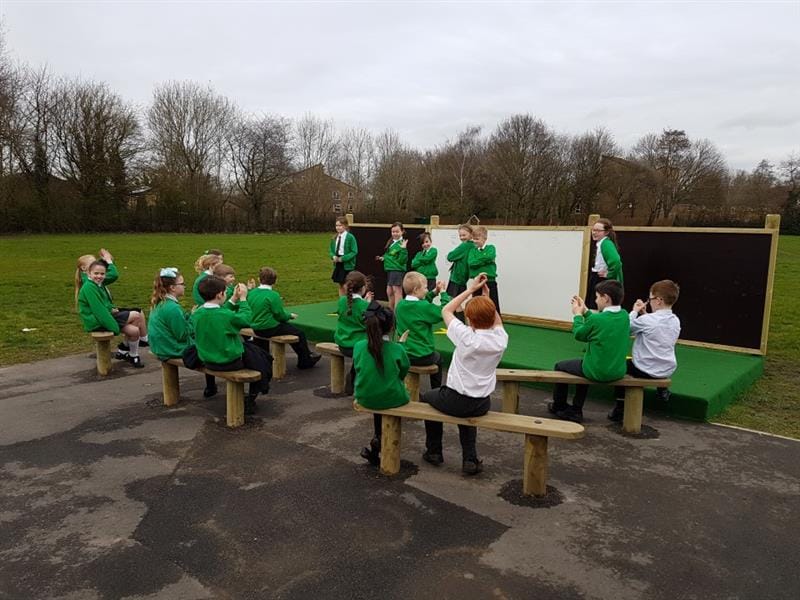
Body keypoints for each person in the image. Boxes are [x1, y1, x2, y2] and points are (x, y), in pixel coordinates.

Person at [421, 273, 508, 476]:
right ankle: (470, 458)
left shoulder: (466, 337)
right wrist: (487, 300)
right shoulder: (500, 339)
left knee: (427, 399)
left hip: (455, 399)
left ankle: (434, 451)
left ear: (469, 319)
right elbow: (497, 322)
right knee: (466, 409)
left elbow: (446, 309)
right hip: (482, 403)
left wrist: (470, 289)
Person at [548, 279, 630, 424]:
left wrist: (577, 315)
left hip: (597, 370)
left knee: (560, 366)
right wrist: (585, 311)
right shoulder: (624, 316)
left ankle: (559, 405)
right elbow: (600, 322)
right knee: (583, 364)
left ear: (606, 298)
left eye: (597, 297)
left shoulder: (598, 319)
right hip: (618, 370)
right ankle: (576, 408)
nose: (596, 300)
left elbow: (579, 334)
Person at [190, 276, 272, 415]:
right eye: (225, 292)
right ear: (220, 294)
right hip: (228, 361)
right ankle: (251, 398)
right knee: (262, 359)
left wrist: (233, 299)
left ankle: (251, 394)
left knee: (253, 351)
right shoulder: (225, 315)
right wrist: (243, 299)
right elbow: (246, 319)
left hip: (207, 359)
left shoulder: (197, 313)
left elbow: (218, 313)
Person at [609, 280, 681, 421]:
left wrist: (635, 311)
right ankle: (662, 390)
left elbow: (624, 329)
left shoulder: (647, 320)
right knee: (631, 360)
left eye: (651, 299)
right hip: (667, 368)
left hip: (645, 368)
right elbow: (655, 329)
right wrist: (645, 314)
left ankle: (620, 409)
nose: (650, 302)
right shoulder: (675, 320)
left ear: (659, 300)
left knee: (617, 366)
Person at [354, 302, 410, 466]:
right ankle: (379, 441)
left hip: (364, 396)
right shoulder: (397, 349)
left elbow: (359, 367)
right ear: (391, 327)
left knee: (378, 395)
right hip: (393, 397)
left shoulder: (359, 346)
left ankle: (377, 439)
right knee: (388, 395)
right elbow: (404, 370)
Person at [147, 267, 218, 398]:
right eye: (182, 284)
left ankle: (211, 385)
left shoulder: (161, 302)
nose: (184, 286)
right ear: (173, 288)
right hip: (171, 348)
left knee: (206, 342)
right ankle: (212, 385)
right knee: (210, 345)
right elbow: (182, 334)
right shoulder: (172, 308)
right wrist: (194, 317)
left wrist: (189, 315)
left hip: (161, 345)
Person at [75, 248, 149, 357]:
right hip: (97, 321)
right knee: (136, 315)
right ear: (86, 269)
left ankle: (128, 351)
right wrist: (114, 328)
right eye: (93, 264)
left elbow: (103, 302)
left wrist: (109, 261)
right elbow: (99, 310)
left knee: (135, 328)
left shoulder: (95, 279)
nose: (96, 264)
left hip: (102, 317)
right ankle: (139, 343)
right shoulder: (90, 284)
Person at [248, 266, 321, 370]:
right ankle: (305, 361)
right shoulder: (273, 295)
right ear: (275, 281)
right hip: (269, 328)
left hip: (256, 327)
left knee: (290, 330)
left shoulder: (252, 293)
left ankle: (263, 361)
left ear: (259, 279)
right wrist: (289, 316)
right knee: (299, 333)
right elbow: (279, 315)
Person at [395, 271, 448, 393]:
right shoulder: (423, 307)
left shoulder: (401, 304)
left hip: (404, 353)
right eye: (425, 287)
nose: (426, 290)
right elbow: (444, 311)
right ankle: (436, 391)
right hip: (422, 355)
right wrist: (443, 293)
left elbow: (422, 301)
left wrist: (434, 292)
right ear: (415, 290)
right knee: (438, 358)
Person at [334, 271, 373, 395]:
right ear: (363, 288)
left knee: (361, 352)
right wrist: (367, 304)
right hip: (358, 346)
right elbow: (369, 324)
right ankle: (361, 382)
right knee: (373, 350)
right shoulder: (364, 306)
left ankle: (352, 378)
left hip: (342, 343)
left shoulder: (341, 301)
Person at [587, 218, 623, 310]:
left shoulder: (606, 244)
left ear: (606, 232)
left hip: (601, 280)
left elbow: (616, 261)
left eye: (598, 230)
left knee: (597, 306)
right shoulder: (601, 243)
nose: (594, 232)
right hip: (597, 278)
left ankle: (596, 323)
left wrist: (609, 274)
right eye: (593, 230)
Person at [376, 221, 408, 311]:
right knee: (389, 291)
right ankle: (391, 311)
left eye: (397, 231)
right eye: (393, 232)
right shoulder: (391, 243)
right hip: (390, 270)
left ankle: (398, 312)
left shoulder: (402, 244)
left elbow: (402, 260)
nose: (395, 233)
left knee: (397, 291)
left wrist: (403, 249)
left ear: (402, 232)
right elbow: (389, 256)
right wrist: (383, 258)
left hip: (397, 270)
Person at [468, 226, 500, 313]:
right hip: (477, 282)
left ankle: (497, 325)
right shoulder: (472, 251)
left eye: (477, 239)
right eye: (473, 239)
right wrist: (485, 261)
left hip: (490, 281)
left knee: (493, 304)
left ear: (485, 238)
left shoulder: (491, 248)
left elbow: (490, 256)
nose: (474, 241)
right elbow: (471, 263)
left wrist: (478, 260)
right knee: (476, 305)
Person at [329, 216, 358, 296]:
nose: (338, 227)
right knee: (340, 284)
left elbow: (354, 251)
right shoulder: (334, 238)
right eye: (336, 225)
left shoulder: (350, 237)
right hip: (338, 263)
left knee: (347, 285)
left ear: (345, 226)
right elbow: (331, 250)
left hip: (347, 264)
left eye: (340, 225)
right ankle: (342, 301)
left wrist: (343, 259)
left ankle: (349, 302)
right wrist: (333, 256)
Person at [445, 224, 473, 298]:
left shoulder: (464, 246)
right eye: (460, 235)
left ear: (471, 234)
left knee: (452, 299)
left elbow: (450, 257)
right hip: (464, 276)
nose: (462, 237)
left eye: (464, 235)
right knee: (459, 299)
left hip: (457, 277)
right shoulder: (473, 246)